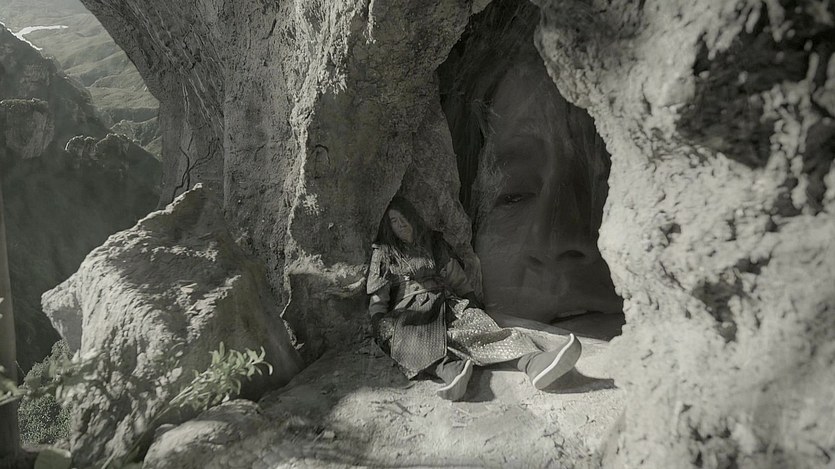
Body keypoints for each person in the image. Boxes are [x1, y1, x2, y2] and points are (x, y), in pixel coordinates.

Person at [366, 196, 581, 401]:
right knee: (402, 338)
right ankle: (451, 371)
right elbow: (379, 297)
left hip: (443, 302)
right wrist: (378, 320)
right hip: (409, 312)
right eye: (394, 221)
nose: (401, 224)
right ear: (389, 227)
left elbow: (455, 276)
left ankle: (533, 362)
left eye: (403, 218)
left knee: (477, 328)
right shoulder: (384, 253)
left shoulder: (433, 242)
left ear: (412, 217)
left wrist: (471, 299)